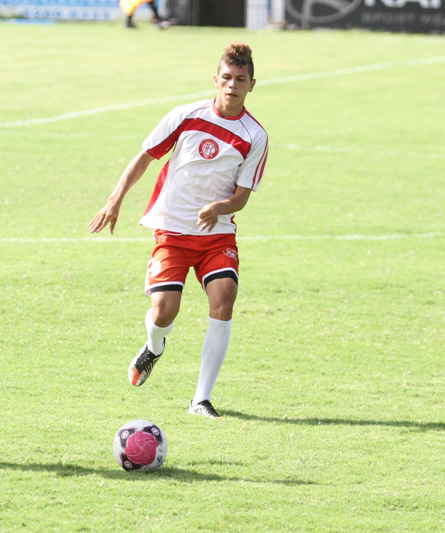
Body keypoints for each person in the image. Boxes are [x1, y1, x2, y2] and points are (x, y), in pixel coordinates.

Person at [88, 42, 268, 418]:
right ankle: (155, 346)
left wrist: (219, 208)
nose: (232, 85)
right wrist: (114, 200)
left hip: (217, 235)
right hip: (172, 231)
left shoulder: (255, 136)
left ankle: (201, 399)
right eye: (227, 78)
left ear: (252, 84)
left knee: (224, 301)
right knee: (163, 312)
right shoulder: (185, 116)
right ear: (215, 80)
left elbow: (241, 197)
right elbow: (145, 158)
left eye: (241, 79)